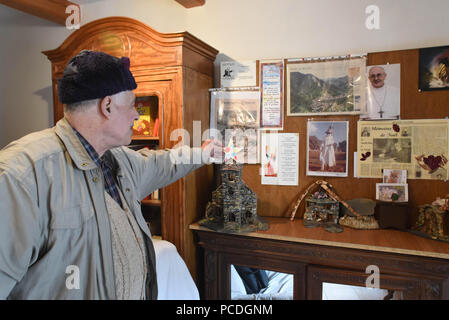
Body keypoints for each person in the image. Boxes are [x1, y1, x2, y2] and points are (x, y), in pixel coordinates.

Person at [0, 50, 220, 300]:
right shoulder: (22, 176)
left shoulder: (118, 159)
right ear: (107, 106)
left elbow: (163, 162)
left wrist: (203, 154)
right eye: (131, 105)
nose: (137, 115)